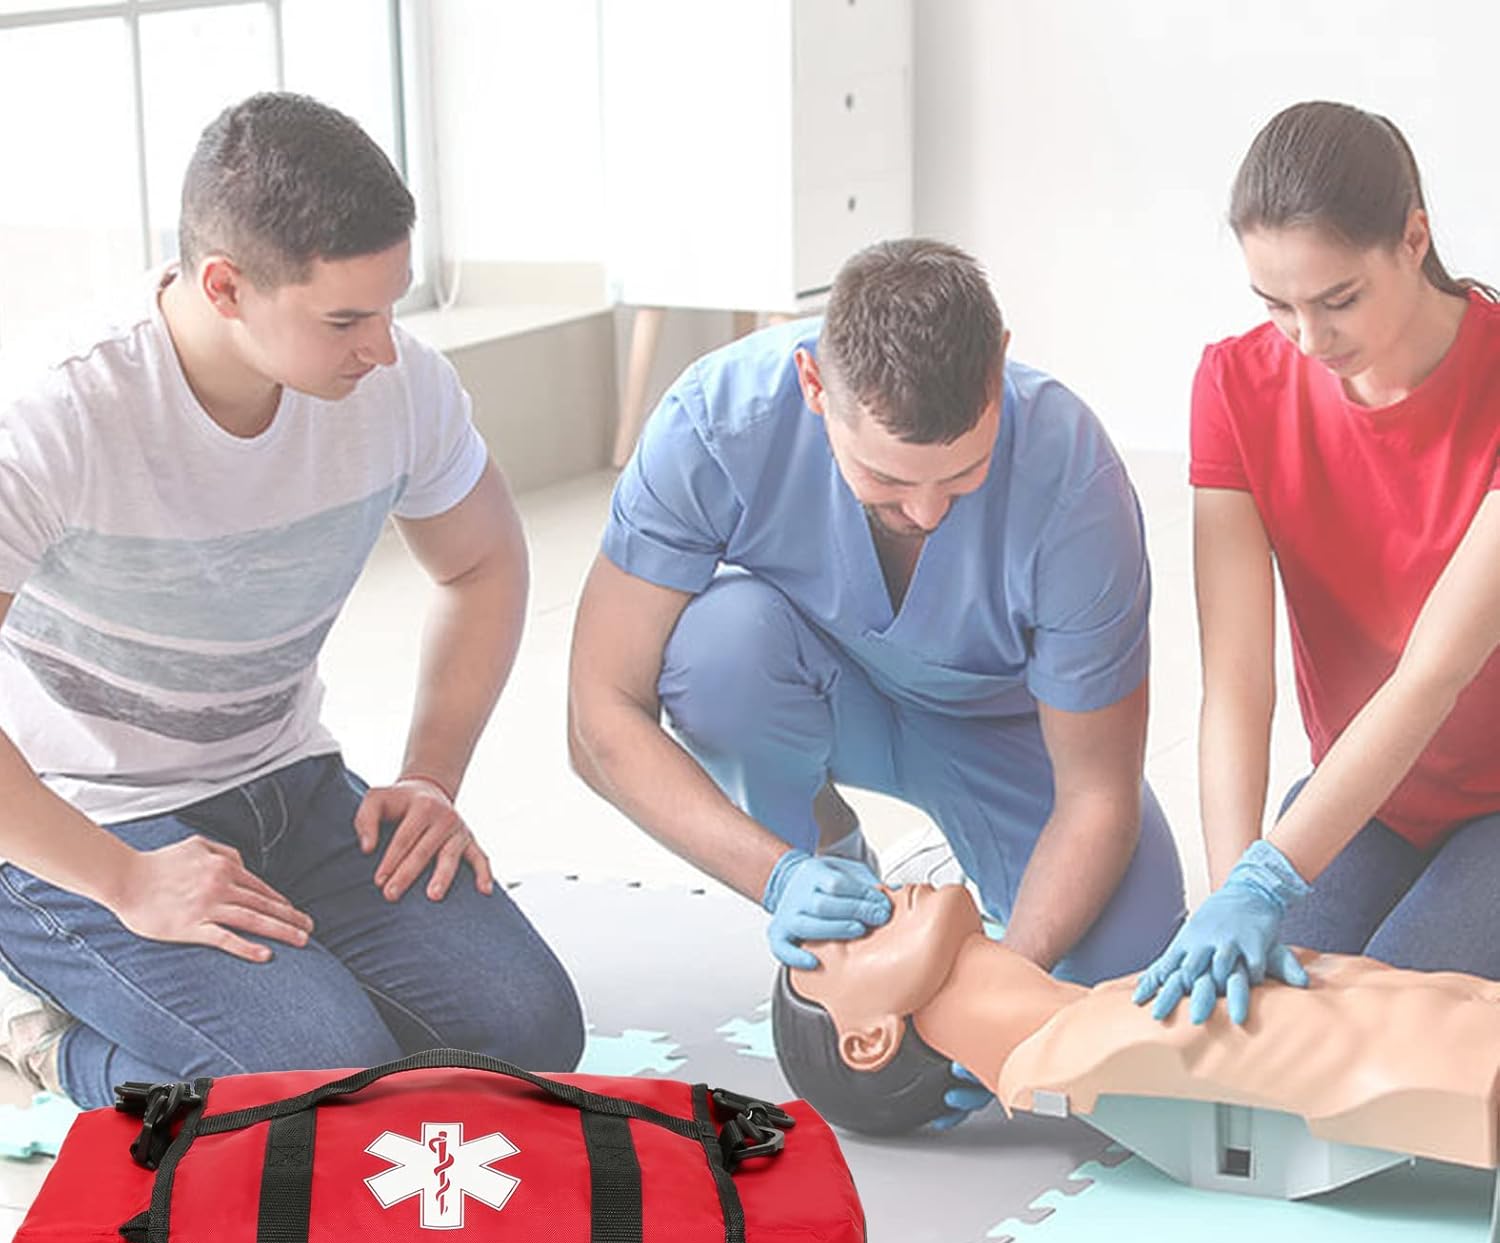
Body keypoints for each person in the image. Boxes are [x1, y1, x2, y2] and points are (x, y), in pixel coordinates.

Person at [0, 93, 583, 1108]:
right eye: (346, 318)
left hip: (292, 787)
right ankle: (49, 1047)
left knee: (528, 1034)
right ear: (224, 286)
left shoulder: (397, 387)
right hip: (84, 822)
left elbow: (483, 564)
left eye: (392, 306)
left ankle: (257, 1010)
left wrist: (430, 776)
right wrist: (128, 882)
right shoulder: (55, 412)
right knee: (316, 1087)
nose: (384, 349)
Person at [569, 239, 1185, 1128]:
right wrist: (777, 876)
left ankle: (940, 874)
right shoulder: (716, 424)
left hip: (1001, 726)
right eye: (888, 481)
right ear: (814, 387)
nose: (928, 511)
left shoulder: (1073, 479)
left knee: (1121, 986)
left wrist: (1008, 975)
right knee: (716, 650)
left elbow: (1096, 795)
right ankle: (832, 864)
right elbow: (598, 716)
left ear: (999, 365)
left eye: (965, 474)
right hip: (813, 683)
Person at [1135, 101, 1500, 1027]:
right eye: (1277, 306)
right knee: (1262, 1023)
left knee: (1387, 1033)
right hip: (1365, 796)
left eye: (1338, 300)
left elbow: (1435, 673)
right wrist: (1231, 891)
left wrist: (1272, 874)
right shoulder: (1234, 385)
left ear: (1414, 239)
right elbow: (1237, 684)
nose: (1309, 338)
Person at [779, 881, 1500, 1170]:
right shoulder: (1105, 1047)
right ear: (869, 1039)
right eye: (846, 940)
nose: (873, 898)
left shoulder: (1115, 1004)